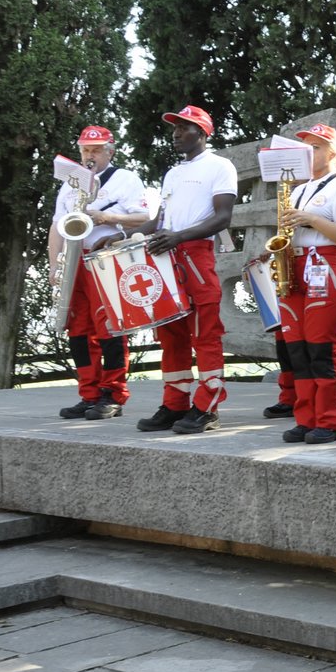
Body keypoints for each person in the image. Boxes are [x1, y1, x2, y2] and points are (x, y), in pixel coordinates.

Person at [135, 106, 238, 434]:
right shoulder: (173, 173)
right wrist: (121, 235)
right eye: (175, 128)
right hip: (167, 255)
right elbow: (160, 222)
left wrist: (177, 237)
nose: (176, 133)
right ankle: (174, 403)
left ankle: (207, 407)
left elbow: (222, 218)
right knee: (171, 332)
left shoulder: (220, 166)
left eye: (185, 128)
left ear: (203, 133)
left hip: (195, 254)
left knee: (205, 331)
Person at [49, 125, 151, 421]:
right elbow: (57, 225)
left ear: (110, 150)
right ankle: (88, 393)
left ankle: (113, 394)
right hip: (74, 262)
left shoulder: (125, 179)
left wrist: (106, 216)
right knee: (78, 329)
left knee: (110, 326)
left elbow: (144, 217)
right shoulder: (70, 183)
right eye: (85, 150)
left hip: (105, 258)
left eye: (95, 150)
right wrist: (54, 264)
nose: (89, 155)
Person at [276, 124, 336, 444]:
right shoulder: (298, 189)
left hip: (326, 266)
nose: (307, 153)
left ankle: (329, 421)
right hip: (295, 265)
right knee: (297, 350)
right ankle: (306, 418)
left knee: (321, 349)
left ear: (332, 152)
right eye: (306, 147)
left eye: (314, 147)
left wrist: (311, 219)